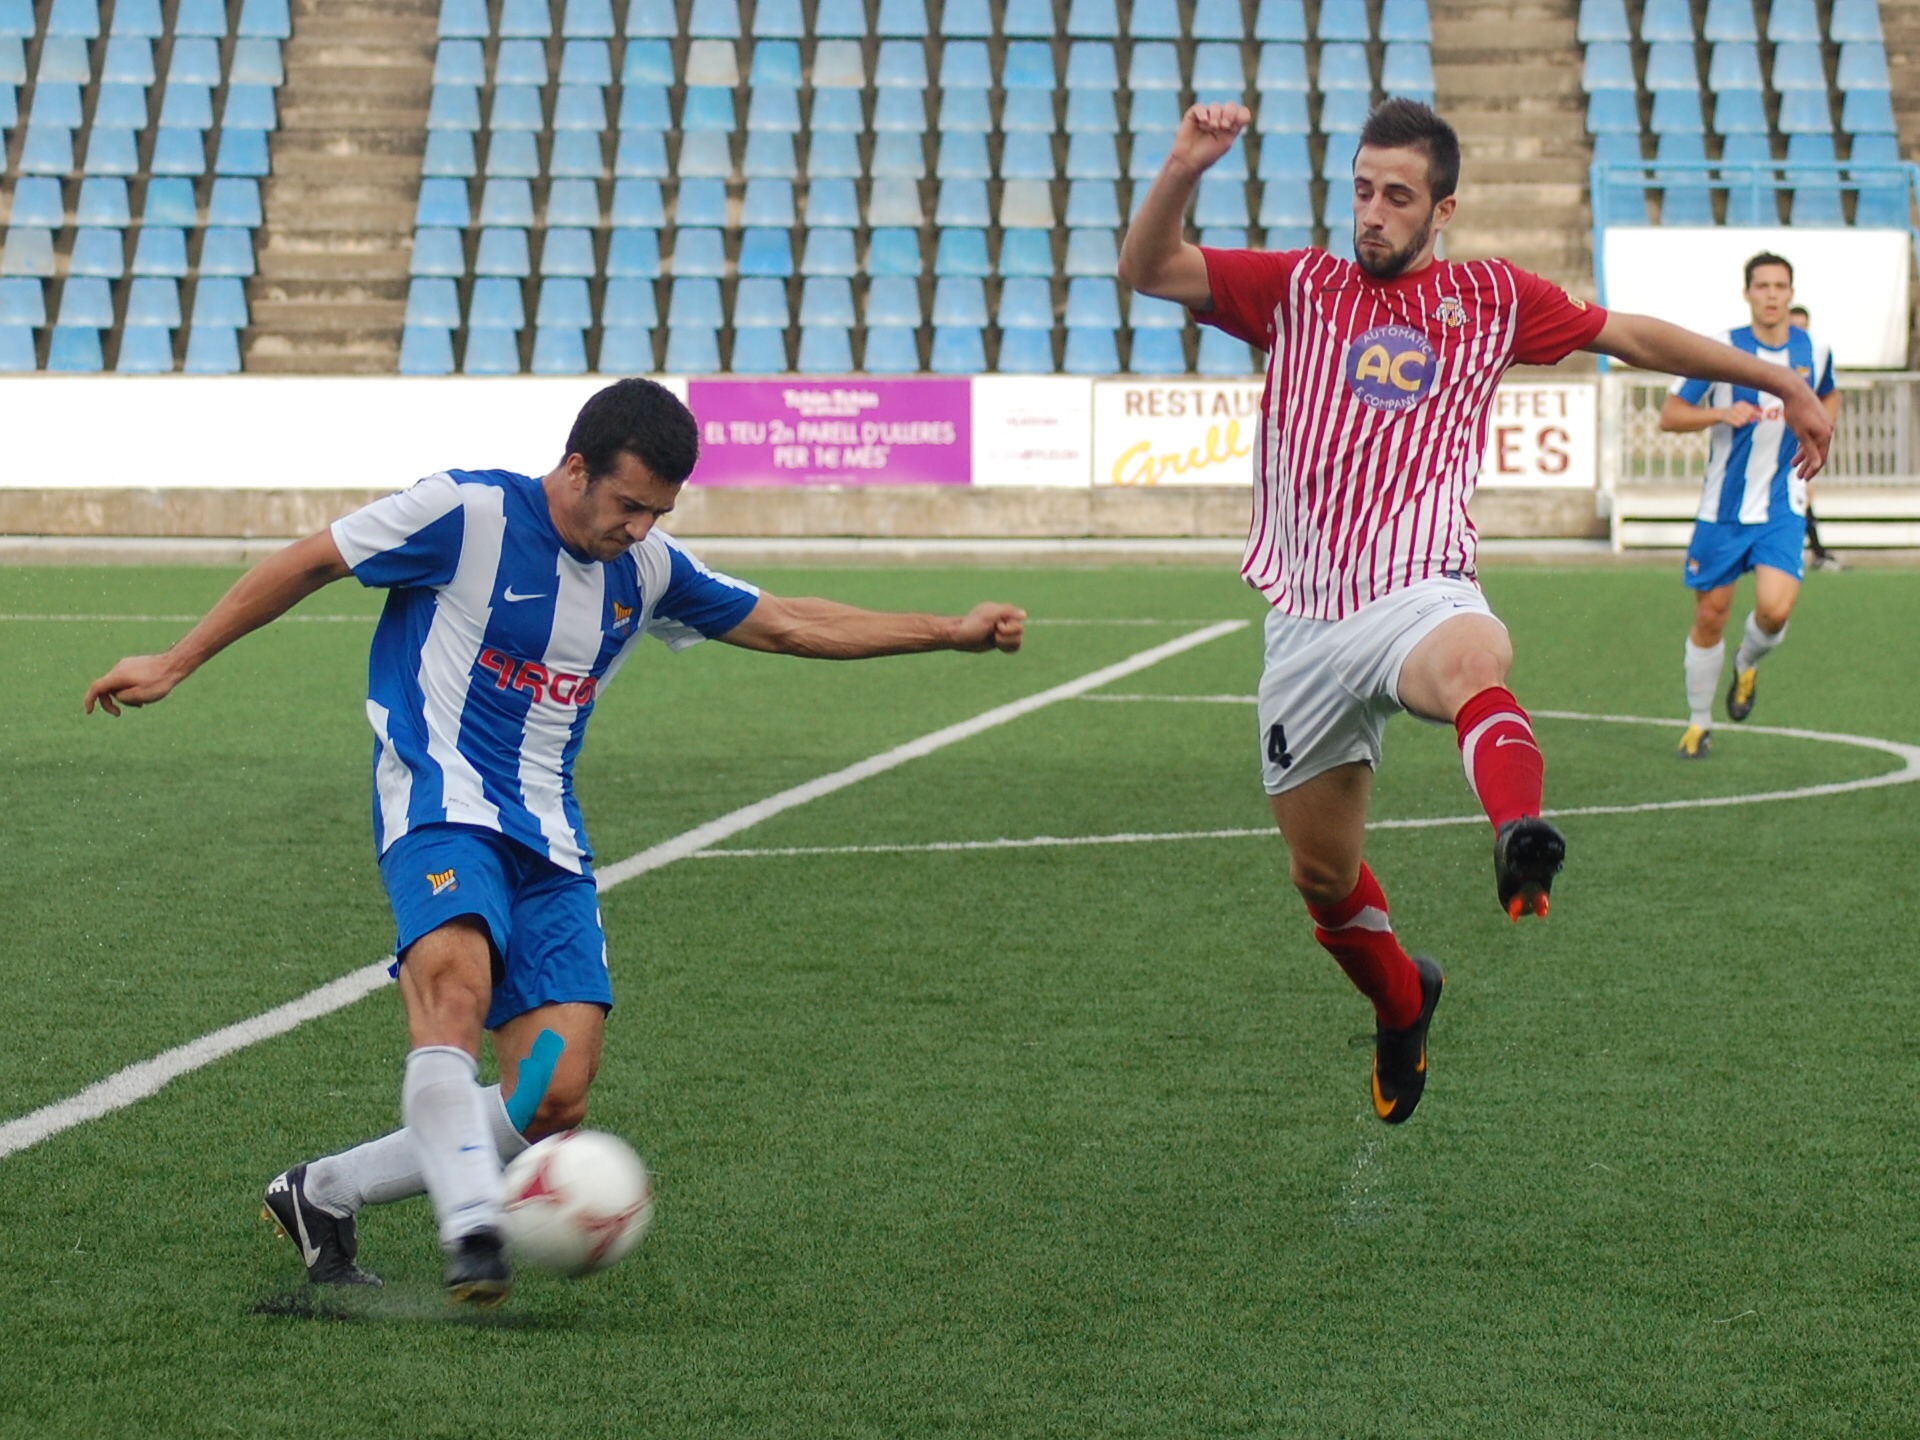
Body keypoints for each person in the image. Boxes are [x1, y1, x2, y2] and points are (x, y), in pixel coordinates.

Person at [83, 378, 1027, 1303]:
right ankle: (472, 1229)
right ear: (575, 469)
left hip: (549, 841)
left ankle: (323, 1192)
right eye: (628, 505)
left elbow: (786, 623)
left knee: (551, 1094)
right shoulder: (463, 512)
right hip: (440, 807)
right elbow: (311, 561)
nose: (641, 529)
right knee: (454, 990)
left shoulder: (647, 571)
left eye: (658, 511)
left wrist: (949, 631)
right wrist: (175, 660)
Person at [1118, 99, 1831, 1125]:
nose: (1372, 213)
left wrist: (1778, 381)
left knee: (1470, 667)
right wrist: (1185, 163)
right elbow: (1149, 269)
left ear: (1442, 209)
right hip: (1306, 620)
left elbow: (1626, 333)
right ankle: (1406, 1000)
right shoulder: (1298, 289)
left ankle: (1519, 834)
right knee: (1323, 879)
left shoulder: (1489, 298)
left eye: (1397, 196)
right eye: (1361, 189)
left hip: (1420, 583)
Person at [1659, 254, 1840, 760]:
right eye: (1762, 286)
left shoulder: (1815, 350)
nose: (1772, 295)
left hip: (1783, 503)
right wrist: (1720, 411)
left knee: (1776, 609)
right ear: (1748, 294)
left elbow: (1829, 395)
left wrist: (1819, 436)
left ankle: (1748, 660)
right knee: (1711, 615)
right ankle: (1698, 723)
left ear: (1791, 292)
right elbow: (1671, 415)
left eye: (1780, 286)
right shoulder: (1721, 348)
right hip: (1723, 508)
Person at [1788, 303, 1844, 573]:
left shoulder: (1814, 355)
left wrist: (1823, 427)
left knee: (1802, 495)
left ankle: (1814, 552)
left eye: (1803, 326)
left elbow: (1830, 395)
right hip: (1769, 444)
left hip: (1800, 444)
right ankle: (1815, 552)